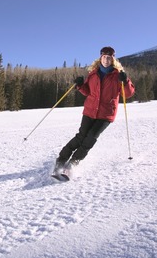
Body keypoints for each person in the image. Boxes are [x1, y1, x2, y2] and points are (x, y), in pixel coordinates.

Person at [54, 46, 135, 176]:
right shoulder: (93, 74)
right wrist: (80, 85)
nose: (106, 60)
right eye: (104, 57)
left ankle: (72, 164)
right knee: (81, 136)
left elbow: (128, 93)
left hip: (106, 114)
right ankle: (61, 160)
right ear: (100, 58)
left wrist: (125, 81)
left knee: (90, 138)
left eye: (109, 57)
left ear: (113, 59)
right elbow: (88, 91)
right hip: (90, 111)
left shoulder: (117, 75)